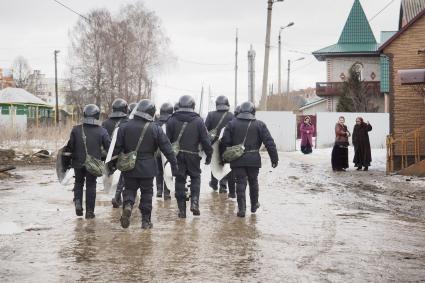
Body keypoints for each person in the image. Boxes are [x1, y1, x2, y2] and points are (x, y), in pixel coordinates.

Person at [114, 100, 178, 229]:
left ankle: (128, 205)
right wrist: (174, 164)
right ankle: (146, 221)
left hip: (129, 167)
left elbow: (117, 148)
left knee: (129, 189)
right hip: (148, 167)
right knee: (147, 193)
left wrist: (113, 165)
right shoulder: (155, 128)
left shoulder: (124, 126)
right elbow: (167, 148)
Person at [221, 101, 279, 217]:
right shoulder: (260, 125)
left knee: (240, 182)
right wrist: (274, 158)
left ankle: (241, 209)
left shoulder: (231, 124)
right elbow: (269, 143)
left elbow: (225, 142)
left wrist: (225, 157)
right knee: (253, 182)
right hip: (254, 160)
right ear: (253, 111)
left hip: (237, 159)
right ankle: (254, 205)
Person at [166, 95, 213, 218]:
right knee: (196, 177)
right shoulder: (198, 121)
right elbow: (205, 140)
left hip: (177, 156)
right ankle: (195, 203)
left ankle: (182, 211)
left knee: (180, 180)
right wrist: (209, 155)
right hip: (193, 156)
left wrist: (167, 160)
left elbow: (167, 141)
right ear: (193, 106)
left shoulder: (171, 120)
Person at [65, 104, 111, 219]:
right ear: (97, 115)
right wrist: (103, 157)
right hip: (94, 164)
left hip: (78, 163)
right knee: (91, 185)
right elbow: (109, 148)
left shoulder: (76, 129)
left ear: (84, 114)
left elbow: (70, 147)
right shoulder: (102, 131)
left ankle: (78, 204)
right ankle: (90, 212)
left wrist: (68, 161)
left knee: (79, 183)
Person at [102, 98, 129, 208]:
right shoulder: (128, 122)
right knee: (123, 175)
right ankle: (117, 195)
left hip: (108, 155)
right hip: (122, 153)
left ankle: (114, 194)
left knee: (110, 173)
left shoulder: (105, 123)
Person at [205, 95, 235, 194]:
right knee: (225, 163)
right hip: (226, 144)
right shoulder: (231, 116)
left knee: (214, 162)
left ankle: (214, 183)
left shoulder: (210, 115)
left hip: (213, 144)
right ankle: (223, 185)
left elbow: (205, 130)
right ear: (227, 104)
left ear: (217, 104)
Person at [155, 102, 174, 199]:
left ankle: (159, 190)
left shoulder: (156, 122)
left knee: (159, 170)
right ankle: (167, 192)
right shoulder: (173, 122)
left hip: (158, 151)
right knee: (168, 170)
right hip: (169, 151)